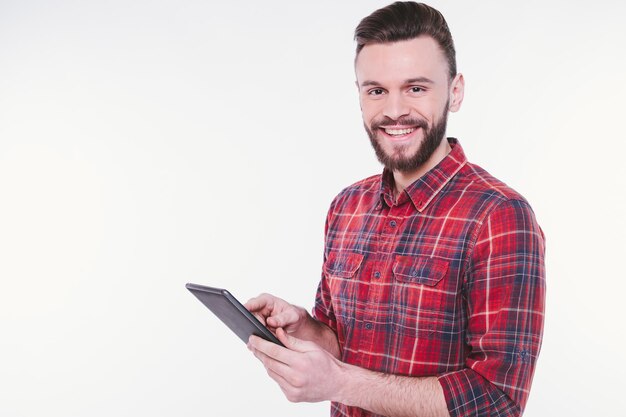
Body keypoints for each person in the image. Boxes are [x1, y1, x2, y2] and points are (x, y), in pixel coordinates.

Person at [245, 2, 546, 416]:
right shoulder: (346, 207)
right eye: (376, 90)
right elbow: (344, 347)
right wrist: (306, 329)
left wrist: (340, 383)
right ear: (360, 96)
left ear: (455, 92)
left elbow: (497, 401)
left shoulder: (499, 217)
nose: (394, 110)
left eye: (416, 88)